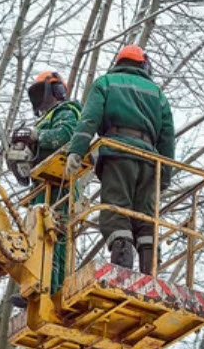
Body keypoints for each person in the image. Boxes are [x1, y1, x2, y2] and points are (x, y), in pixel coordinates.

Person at [64, 45, 174, 275]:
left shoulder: (105, 83)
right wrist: (165, 173)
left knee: (117, 210)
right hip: (149, 161)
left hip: (117, 154)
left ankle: (122, 267)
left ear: (120, 62)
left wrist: (76, 151)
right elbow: (167, 136)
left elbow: (89, 120)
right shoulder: (157, 93)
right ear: (144, 65)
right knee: (145, 216)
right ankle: (149, 270)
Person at [7, 70, 81, 302]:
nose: (40, 100)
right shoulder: (43, 119)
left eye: (43, 92)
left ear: (57, 91)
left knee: (54, 234)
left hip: (61, 183)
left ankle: (54, 288)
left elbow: (67, 135)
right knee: (36, 236)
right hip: (42, 186)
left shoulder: (68, 111)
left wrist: (37, 135)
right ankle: (37, 285)